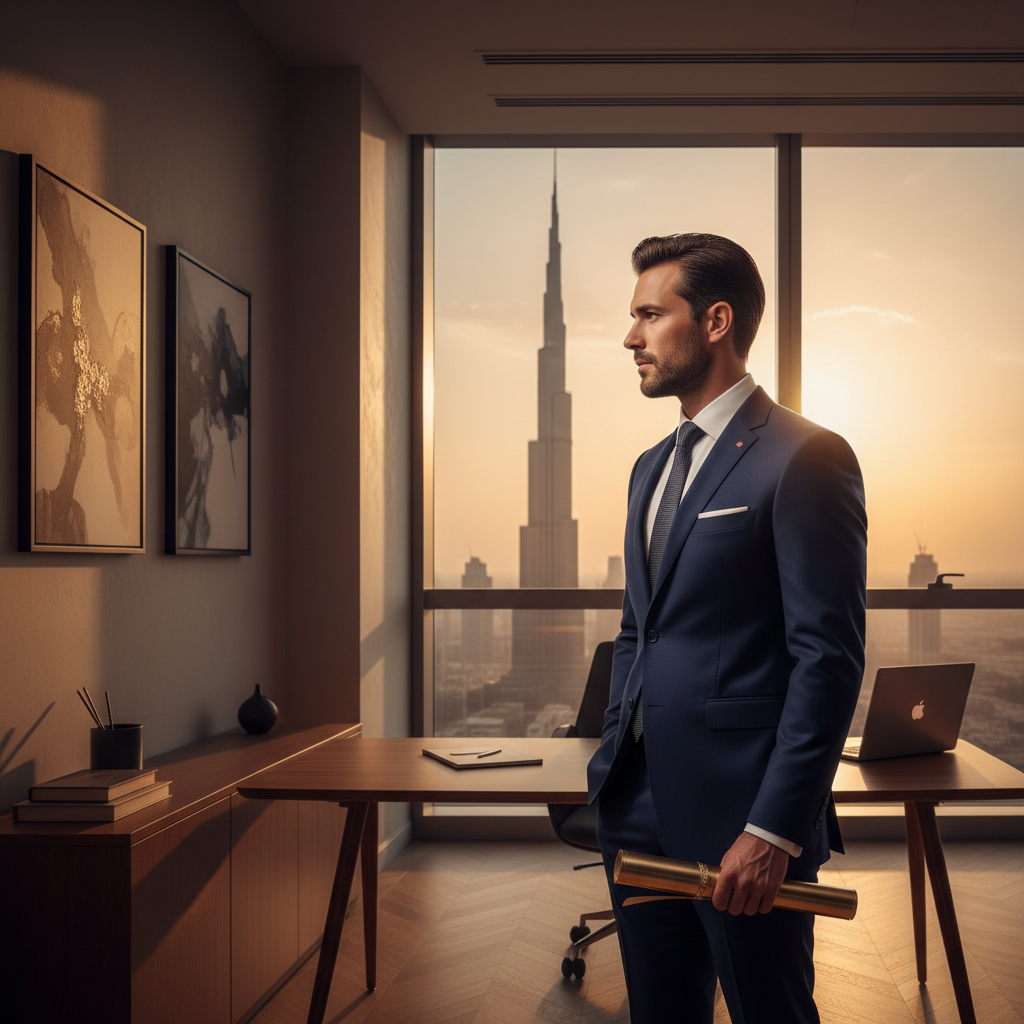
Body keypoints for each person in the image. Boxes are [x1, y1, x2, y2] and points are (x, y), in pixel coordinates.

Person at [586, 233, 867, 1023]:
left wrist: (775, 828)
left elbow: (829, 658)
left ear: (715, 321)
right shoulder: (649, 466)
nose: (631, 337)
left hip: (744, 820)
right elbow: (639, 629)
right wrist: (614, 757)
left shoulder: (805, 456)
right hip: (635, 805)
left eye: (649, 314)